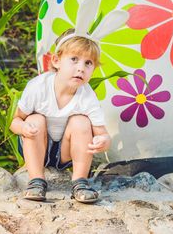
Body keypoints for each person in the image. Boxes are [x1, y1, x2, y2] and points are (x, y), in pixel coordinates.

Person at [10, 28, 111, 203]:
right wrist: (24, 128)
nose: (81, 68)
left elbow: (102, 133)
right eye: (74, 59)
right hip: (37, 143)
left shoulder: (87, 96)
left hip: (65, 153)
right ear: (56, 60)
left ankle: (80, 182)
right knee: (35, 119)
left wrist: (103, 141)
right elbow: (15, 121)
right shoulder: (38, 87)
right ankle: (36, 181)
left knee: (81, 122)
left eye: (88, 63)